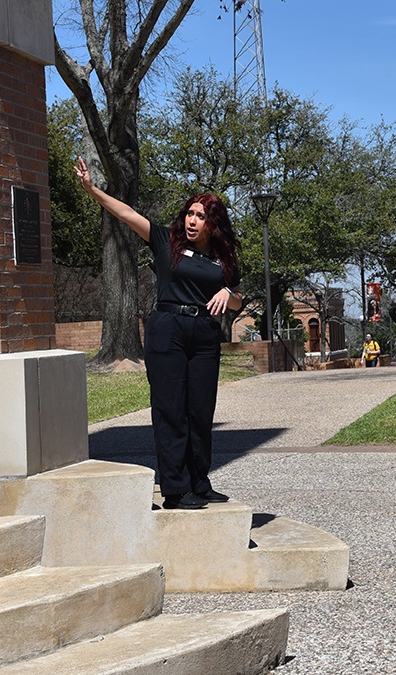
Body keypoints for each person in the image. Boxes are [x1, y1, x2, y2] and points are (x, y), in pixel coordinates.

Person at [74, 157, 242, 511]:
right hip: (167, 330)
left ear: (214, 225)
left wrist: (229, 293)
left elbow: (237, 301)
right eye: (190, 214)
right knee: (171, 411)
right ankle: (176, 490)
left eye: (200, 216)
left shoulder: (224, 259)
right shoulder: (167, 241)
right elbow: (126, 214)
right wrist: (92, 189)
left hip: (204, 336)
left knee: (200, 411)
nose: (192, 221)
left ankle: (200, 481)